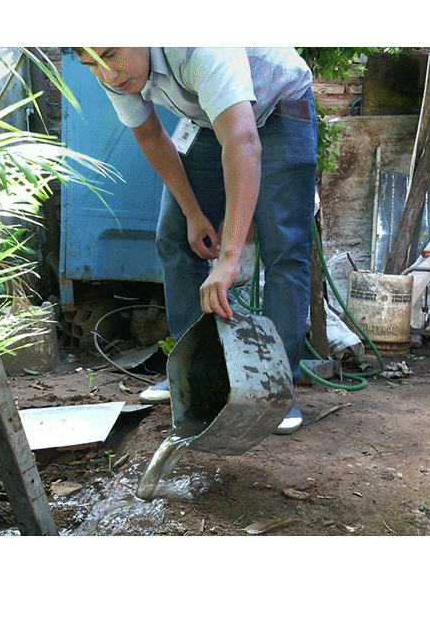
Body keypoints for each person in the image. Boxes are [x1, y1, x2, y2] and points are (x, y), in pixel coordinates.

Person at [73, 48, 318, 434]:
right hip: (206, 117)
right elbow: (151, 135)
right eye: (91, 66)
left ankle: (273, 391)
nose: (107, 75)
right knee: (173, 238)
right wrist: (192, 212)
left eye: (109, 54)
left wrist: (229, 257)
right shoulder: (116, 71)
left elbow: (243, 143)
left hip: (279, 106)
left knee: (284, 247)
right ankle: (193, 376)